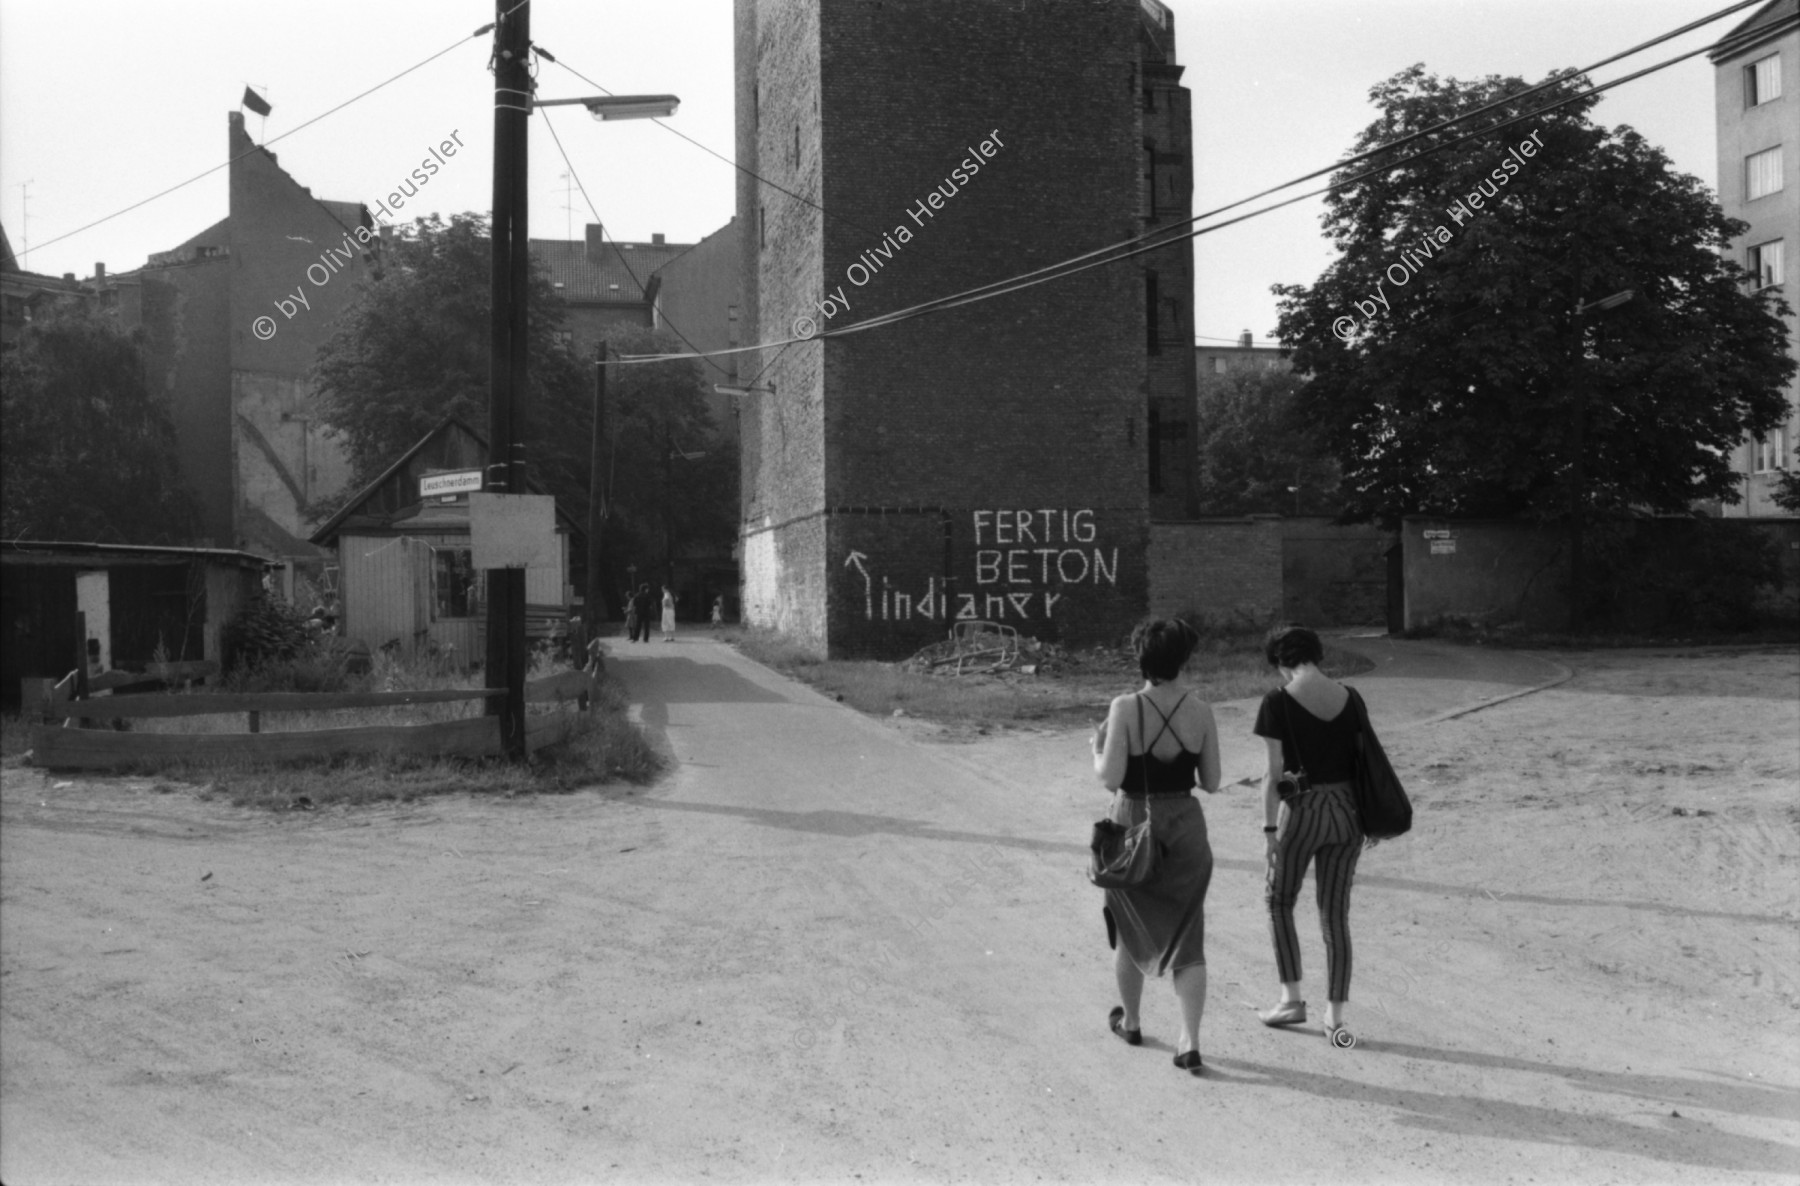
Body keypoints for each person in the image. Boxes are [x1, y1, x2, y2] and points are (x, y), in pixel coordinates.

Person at [1091, 617, 1221, 1074]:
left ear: (1140, 658)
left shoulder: (1125, 706)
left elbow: (1109, 777)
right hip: (1185, 824)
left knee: (1129, 925)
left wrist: (1095, 747)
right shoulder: (1201, 709)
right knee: (1189, 934)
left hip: (1132, 823)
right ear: (1184, 659)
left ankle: (1131, 1021)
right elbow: (1212, 781)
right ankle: (1189, 1042)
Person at [1253, 624, 1367, 1046]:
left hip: (1303, 812)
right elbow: (1362, 762)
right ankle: (1335, 1018)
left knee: (1278, 899)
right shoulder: (1351, 697)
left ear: (1281, 662)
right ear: (1317, 655)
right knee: (1335, 913)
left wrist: (1268, 829)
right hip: (1348, 812)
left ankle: (1291, 999)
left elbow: (1272, 773)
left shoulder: (1277, 701)